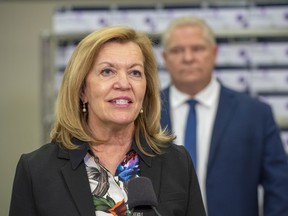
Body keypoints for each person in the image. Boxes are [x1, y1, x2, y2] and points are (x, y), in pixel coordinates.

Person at [9, 26, 206, 216]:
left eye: (134, 72)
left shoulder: (177, 162)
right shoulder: (36, 170)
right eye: (107, 71)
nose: (123, 83)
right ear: (82, 90)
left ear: (146, 91)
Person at [160, 16, 288, 216]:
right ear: (165, 58)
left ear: (214, 53)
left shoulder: (255, 114)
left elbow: (280, 187)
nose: (188, 57)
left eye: (197, 48)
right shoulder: (145, 112)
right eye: (177, 50)